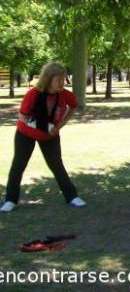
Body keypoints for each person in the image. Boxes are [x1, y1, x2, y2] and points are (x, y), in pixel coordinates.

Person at [0, 63, 86, 213]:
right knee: (18, 165)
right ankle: (10, 200)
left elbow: (73, 107)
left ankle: (71, 197)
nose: (62, 82)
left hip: (50, 136)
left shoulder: (65, 94)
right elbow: (22, 116)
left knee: (57, 165)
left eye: (63, 78)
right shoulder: (33, 94)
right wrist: (43, 126)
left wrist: (58, 127)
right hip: (25, 134)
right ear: (48, 79)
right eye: (58, 79)